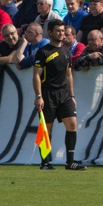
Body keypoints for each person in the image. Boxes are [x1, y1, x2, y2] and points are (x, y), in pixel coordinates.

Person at [32, 19, 86, 171]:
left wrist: (72, 95)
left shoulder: (66, 52)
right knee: (47, 128)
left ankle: (70, 162)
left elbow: (68, 75)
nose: (61, 33)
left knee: (72, 124)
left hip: (64, 94)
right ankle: (45, 162)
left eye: (63, 31)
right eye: (58, 31)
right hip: (48, 94)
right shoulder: (43, 52)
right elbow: (36, 75)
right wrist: (38, 96)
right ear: (50, 32)